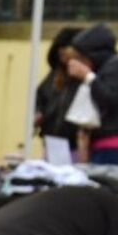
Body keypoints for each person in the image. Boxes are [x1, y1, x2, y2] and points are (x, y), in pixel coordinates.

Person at [68, 23, 118, 165]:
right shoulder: (104, 68)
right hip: (100, 143)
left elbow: (109, 98)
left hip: (115, 145)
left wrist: (87, 76)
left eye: (82, 57)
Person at [35, 26, 83, 154]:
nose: (63, 51)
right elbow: (40, 99)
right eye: (60, 48)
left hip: (76, 144)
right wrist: (38, 114)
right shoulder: (53, 76)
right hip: (52, 142)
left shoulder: (83, 77)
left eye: (67, 47)